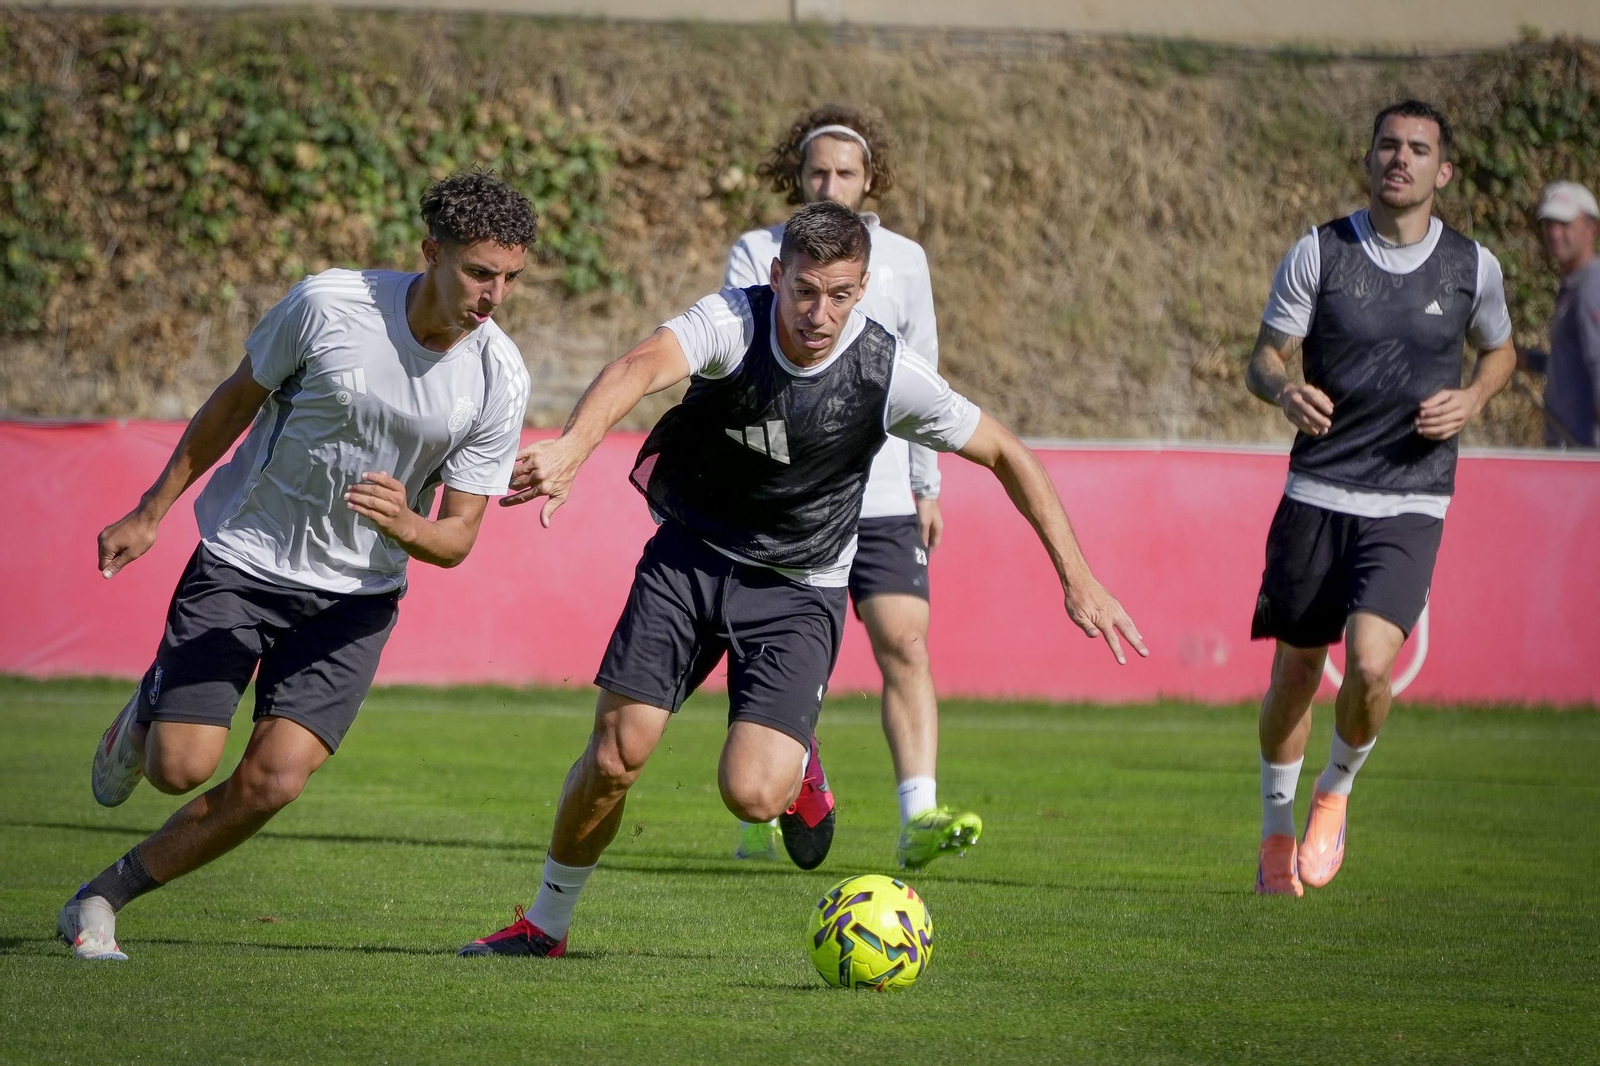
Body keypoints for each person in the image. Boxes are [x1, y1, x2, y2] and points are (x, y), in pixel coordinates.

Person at [459, 200, 1145, 958]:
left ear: (863, 288)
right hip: (690, 557)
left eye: (841, 294)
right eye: (806, 290)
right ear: (777, 275)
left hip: (797, 587)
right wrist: (573, 447)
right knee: (617, 756)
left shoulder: (887, 372)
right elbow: (638, 367)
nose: (820, 314)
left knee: (752, 795)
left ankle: (801, 765)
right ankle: (545, 926)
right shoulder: (733, 320)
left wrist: (1078, 577)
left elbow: (1008, 452)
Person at [59, 171, 536, 960]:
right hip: (246, 560)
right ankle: (148, 708)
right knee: (179, 768)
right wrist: (150, 511)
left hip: (356, 600)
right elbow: (234, 402)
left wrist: (406, 525)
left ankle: (102, 897)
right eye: (480, 272)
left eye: (511, 277)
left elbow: (456, 540)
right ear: (432, 254)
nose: (495, 296)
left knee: (274, 781)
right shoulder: (329, 304)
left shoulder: (499, 374)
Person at [1244, 101, 1515, 897]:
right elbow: (1264, 358)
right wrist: (1284, 391)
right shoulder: (1320, 252)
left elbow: (1499, 350)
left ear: (1444, 170)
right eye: (1388, 146)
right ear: (1368, 159)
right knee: (1298, 669)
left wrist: (1472, 398)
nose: (1401, 158)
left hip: (1411, 499)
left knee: (1367, 665)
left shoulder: (1472, 266)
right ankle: (1275, 831)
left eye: (1418, 149)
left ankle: (1335, 791)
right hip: (1316, 491)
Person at [724, 104, 978, 871]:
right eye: (817, 172)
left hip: (885, 494)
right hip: (786, 500)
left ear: (871, 179)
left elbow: (925, 371)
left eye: (845, 172)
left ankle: (918, 815)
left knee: (905, 640)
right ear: (796, 177)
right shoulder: (757, 252)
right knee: (774, 653)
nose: (830, 184)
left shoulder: (906, 260)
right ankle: (779, 791)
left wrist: (928, 485)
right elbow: (744, 369)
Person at [1525, 181, 1600, 448]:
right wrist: (1520, 358)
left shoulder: (1592, 284)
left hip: (1586, 455)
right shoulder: (1574, 285)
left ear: (1592, 228)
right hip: (1570, 450)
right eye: (1549, 224)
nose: (1554, 233)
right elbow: (1570, 364)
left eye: (1564, 224)